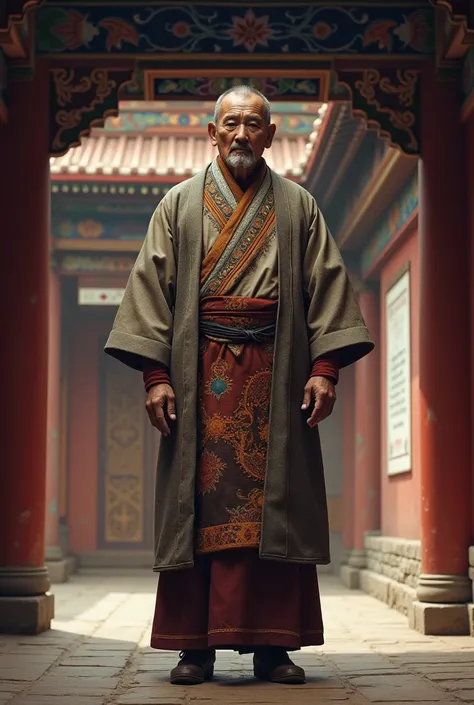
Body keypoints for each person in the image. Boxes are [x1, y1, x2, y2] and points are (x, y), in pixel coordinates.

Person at [105, 86, 373, 686]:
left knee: (273, 512)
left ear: (272, 135)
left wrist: (324, 370)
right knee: (194, 509)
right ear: (213, 131)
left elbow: (325, 285)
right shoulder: (178, 205)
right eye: (231, 124)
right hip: (198, 378)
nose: (242, 135)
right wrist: (156, 377)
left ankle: (272, 649)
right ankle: (192, 648)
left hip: (276, 382)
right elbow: (153, 293)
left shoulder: (298, 206)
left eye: (254, 124)